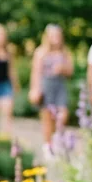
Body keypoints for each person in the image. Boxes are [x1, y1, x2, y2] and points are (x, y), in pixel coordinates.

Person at [29, 23, 74, 159]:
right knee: (47, 118)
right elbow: (36, 72)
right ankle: (48, 146)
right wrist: (35, 89)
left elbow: (71, 72)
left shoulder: (65, 52)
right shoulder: (41, 52)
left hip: (60, 85)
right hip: (46, 86)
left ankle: (57, 141)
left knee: (62, 115)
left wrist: (63, 69)